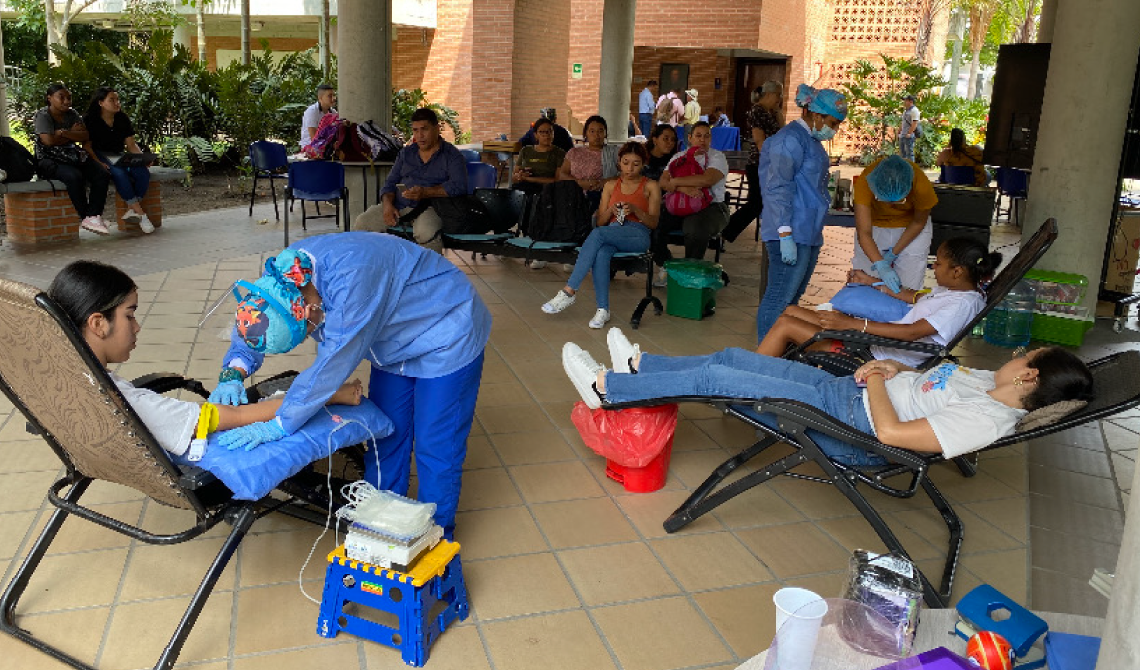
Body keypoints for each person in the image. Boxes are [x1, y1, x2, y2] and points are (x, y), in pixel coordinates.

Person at [205, 233, 491, 538]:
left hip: (446, 328)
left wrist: (280, 424)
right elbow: (256, 318)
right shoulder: (285, 273)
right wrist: (234, 370)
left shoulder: (353, 281)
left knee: (436, 442)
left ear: (310, 310)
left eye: (306, 333)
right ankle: (382, 527)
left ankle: (437, 536)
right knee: (386, 431)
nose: (310, 337)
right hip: (394, 338)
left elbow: (331, 367)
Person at [563, 330, 1094, 465]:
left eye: (1028, 356)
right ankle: (642, 366)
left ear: (1029, 379)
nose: (1019, 355)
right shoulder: (984, 383)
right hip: (848, 391)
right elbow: (930, 381)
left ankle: (610, 391)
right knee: (728, 358)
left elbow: (891, 436)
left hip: (850, 424)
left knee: (716, 383)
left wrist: (880, 382)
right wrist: (890, 366)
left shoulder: (987, 419)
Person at [46, 260, 364, 459]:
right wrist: (329, 394)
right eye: (130, 315)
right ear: (98, 323)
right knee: (268, 403)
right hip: (200, 456)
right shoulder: (131, 403)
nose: (137, 326)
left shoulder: (55, 378)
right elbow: (235, 418)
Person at [756, 238, 1000, 366]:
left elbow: (911, 333)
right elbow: (912, 296)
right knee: (791, 311)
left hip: (874, 355)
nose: (933, 267)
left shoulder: (962, 305)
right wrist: (871, 281)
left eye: (938, 264)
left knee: (786, 325)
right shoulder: (955, 292)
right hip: (871, 342)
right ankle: (775, 368)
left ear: (957, 271)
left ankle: (748, 377)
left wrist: (853, 325)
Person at [754, 84, 847, 339]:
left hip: (807, 230)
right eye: (832, 122)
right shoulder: (788, 140)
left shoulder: (811, 141)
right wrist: (784, 233)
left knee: (791, 300)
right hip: (789, 230)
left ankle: (779, 350)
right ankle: (764, 357)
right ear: (816, 115)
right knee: (778, 297)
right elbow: (777, 188)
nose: (834, 129)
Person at [541, 142, 660, 329]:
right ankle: (603, 310)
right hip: (611, 231)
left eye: (636, 163)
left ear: (643, 164)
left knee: (598, 235)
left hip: (638, 234)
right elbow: (601, 222)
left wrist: (636, 210)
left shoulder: (651, 186)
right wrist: (612, 209)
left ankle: (569, 291)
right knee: (602, 252)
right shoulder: (611, 185)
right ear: (619, 162)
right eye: (626, 162)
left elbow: (653, 223)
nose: (630, 168)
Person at [359, 108, 467, 252]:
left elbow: (459, 186)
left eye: (424, 129)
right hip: (400, 205)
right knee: (363, 223)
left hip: (431, 207)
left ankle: (430, 272)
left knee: (426, 233)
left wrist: (426, 192)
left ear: (437, 128)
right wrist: (387, 205)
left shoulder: (452, 155)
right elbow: (390, 184)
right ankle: (373, 268)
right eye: (415, 130)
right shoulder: (406, 153)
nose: (420, 136)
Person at [652, 121, 730, 286]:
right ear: (690, 138)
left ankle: (689, 274)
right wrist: (684, 189)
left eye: (706, 136)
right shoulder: (678, 157)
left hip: (712, 207)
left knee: (693, 227)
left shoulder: (717, 157)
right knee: (652, 223)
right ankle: (669, 267)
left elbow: (707, 179)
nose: (702, 140)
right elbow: (663, 183)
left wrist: (676, 182)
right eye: (698, 136)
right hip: (680, 203)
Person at [33, 82, 112, 236]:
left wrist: (62, 133)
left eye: (69, 98)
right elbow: (47, 141)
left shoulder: (72, 114)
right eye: (61, 97)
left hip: (71, 155)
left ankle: (94, 215)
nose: (66, 101)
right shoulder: (43, 115)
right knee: (74, 176)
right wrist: (70, 133)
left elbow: (84, 136)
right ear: (49, 98)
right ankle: (86, 216)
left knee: (102, 173)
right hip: (49, 160)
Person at [852, 154, 938, 293]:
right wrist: (880, 263)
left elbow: (918, 222)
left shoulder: (920, 184)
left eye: (899, 201)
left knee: (909, 285)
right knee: (865, 278)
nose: (891, 206)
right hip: (875, 226)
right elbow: (864, 232)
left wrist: (893, 253)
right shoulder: (865, 181)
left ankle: (903, 313)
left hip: (911, 228)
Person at [83, 86, 155, 234]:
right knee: (119, 174)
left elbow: (131, 144)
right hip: (99, 154)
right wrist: (98, 162)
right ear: (101, 102)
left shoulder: (122, 118)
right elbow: (87, 147)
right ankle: (141, 215)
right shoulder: (90, 120)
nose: (117, 103)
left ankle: (132, 209)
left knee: (142, 172)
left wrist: (142, 159)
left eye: (118, 99)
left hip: (118, 155)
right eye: (112, 100)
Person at [723, 80, 784, 243]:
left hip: (770, 163)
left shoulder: (771, 112)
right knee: (756, 202)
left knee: (759, 201)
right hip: (759, 163)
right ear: (770, 94)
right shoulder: (757, 111)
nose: (780, 99)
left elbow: (782, 133)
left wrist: (778, 113)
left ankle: (726, 232)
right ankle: (725, 231)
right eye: (778, 95)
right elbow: (759, 140)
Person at [557, 114, 611, 213]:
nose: (596, 135)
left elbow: (624, 175)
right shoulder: (574, 152)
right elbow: (562, 174)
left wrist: (603, 182)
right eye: (592, 131)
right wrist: (580, 183)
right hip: (571, 195)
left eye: (600, 131)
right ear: (585, 133)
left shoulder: (613, 154)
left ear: (605, 133)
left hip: (599, 197)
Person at [513, 116, 566, 197]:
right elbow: (514, 178)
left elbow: (557, 180)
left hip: (547, 191)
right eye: (542, 132)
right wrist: (519, 176)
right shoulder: (525, 150)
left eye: (549, 131)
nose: (546, 135)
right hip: (524, 188)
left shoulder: (559, 153)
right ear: (536, 135)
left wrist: (528, 179)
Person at [300, 84, 337, 150]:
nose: (333, 98)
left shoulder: (333, 112)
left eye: (334, 95)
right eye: (329, 96)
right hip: (309, 149)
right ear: (320, 98)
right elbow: (314, 139)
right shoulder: (312, 111)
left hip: (325, 148)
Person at [899, 95, 920, 161]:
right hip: (902, 135)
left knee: (909, 154)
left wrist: (909, 133)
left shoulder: (914, 110)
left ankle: (911, 169)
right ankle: (904, 169)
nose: (904, 102)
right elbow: (903, 121)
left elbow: (915, 123)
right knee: (902, 153)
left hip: (909, 136)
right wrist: (900, 130)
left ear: (911, 101)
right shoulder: (906, 111)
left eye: (906, 100)